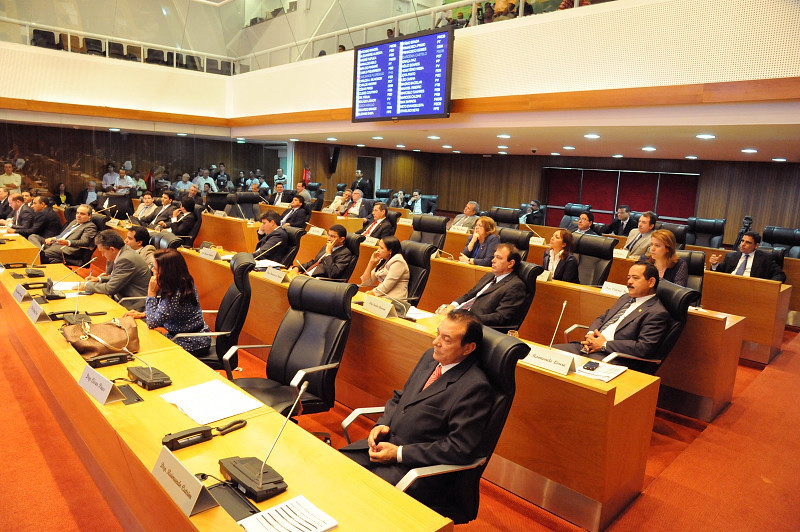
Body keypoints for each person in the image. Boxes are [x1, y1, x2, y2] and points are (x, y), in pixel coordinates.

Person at [340, 310, 492, 506]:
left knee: (358, 498)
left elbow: (459, 448)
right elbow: (400, 398)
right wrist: (382, 424)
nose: (435, 342)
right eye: (437, 333)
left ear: (468, 348)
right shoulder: (431, 358)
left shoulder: (475, 387)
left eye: (446, 339)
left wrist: (399, 453)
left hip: (416, 469)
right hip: (383, 447)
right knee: (332, 467)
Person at [553, 262, 670, 371]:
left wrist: (604, 345)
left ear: (651, 282)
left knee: (573, 373)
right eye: (628, 278)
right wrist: (590, 336)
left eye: (635, 278)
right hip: (590, 347)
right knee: (547, 355)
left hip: (613, 357)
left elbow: (643, 348)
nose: (629, 282)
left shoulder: (657, 312)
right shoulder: (625, 298)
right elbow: (602, 318)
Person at [124, 249, 211, 357]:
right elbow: (168, 312)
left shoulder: (176, 294)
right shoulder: (183, 281)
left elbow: (152, 323)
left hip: (191, 342)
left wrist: (151, 292)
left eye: (155, 268)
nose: (152, 270)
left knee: (143, 350)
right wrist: (145, 313)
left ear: (167, 272)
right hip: (183, 336)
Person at [438, 243, 528, 328]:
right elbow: (470, 294)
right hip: (459, 315)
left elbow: (500, 317)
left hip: (473, 325)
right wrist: (452, 306)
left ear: (511, 263)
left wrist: (464, 317)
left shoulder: (515, 286)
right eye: (494, 257)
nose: (493, 260)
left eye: (499, 258)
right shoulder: (490, 275)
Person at [80, 230, 152, 310]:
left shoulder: (126, 259)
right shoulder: (125, 251)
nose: (102, 255)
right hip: (122, 296)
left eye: (103, 252)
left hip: (133, 303)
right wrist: (99, 279)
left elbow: (110, 289)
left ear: (112, 249)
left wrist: (86, 285)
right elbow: (118, 276)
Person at [28, 204, 97, 264]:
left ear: (90, 216)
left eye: (82, 214)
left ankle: (41, 254)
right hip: (55, 243)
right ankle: (41, 253)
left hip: (66, 248)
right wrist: (53, 238)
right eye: (77, 213)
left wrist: (67, 242)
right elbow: (64, 235)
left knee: (42, 254)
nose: (78, 216)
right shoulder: (74, 222)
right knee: (33, 236)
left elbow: (84, 242)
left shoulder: (90, 226)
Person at [709, 231, 786, 282]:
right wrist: (714, 265)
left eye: (748, 242)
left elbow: (780, 275)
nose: (743, 244)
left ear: (756, 246)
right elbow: (719, 273)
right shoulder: (731, 256)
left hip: (752, 289)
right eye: (742, 241)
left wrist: (767, 285)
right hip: (729, 286)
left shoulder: (765, 258)